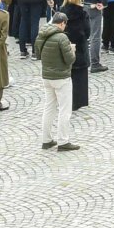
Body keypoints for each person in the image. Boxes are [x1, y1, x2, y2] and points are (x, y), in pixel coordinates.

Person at [34, 13, 81, 150]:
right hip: (61, 78)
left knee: (49, 108)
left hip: (47, 77)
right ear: (62, 23)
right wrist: (72, 50)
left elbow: (38, 55)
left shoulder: (41, 35)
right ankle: (63, 141)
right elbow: (69, 60)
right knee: (64, 110)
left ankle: (46, 139)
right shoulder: (62, 37)